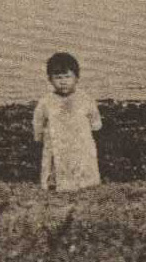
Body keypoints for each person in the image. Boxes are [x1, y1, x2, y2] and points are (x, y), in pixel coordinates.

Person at [32, 51, 103, 190]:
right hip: (56, 142)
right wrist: (38, 136)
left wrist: (95, 127)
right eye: (58, 77)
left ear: (76, 78)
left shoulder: (85, 99)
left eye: (67, 77)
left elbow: (95, 119)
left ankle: (86, 183)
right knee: (56, 163)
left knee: (83, 161)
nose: (63, 81)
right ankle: (56, 184)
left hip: (80, 142)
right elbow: (38, 121)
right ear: (50, 79)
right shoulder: (46, 102)